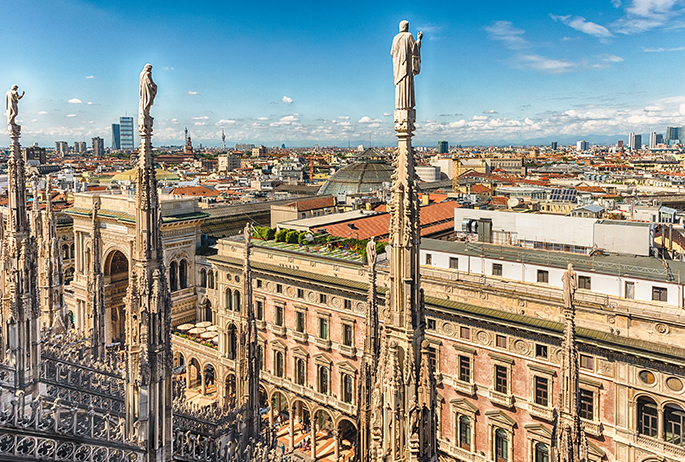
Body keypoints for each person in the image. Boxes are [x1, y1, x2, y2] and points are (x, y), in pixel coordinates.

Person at [391, 21, 422, 111]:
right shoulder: (408, 36)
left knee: (400, 86)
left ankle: (400, 106)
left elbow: (392, 52)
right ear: (406, 27)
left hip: (398, 68)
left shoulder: (395, 38)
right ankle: (407, 106)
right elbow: (414, 48)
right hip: (406, 67)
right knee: (406, 85)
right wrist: (419, 40)